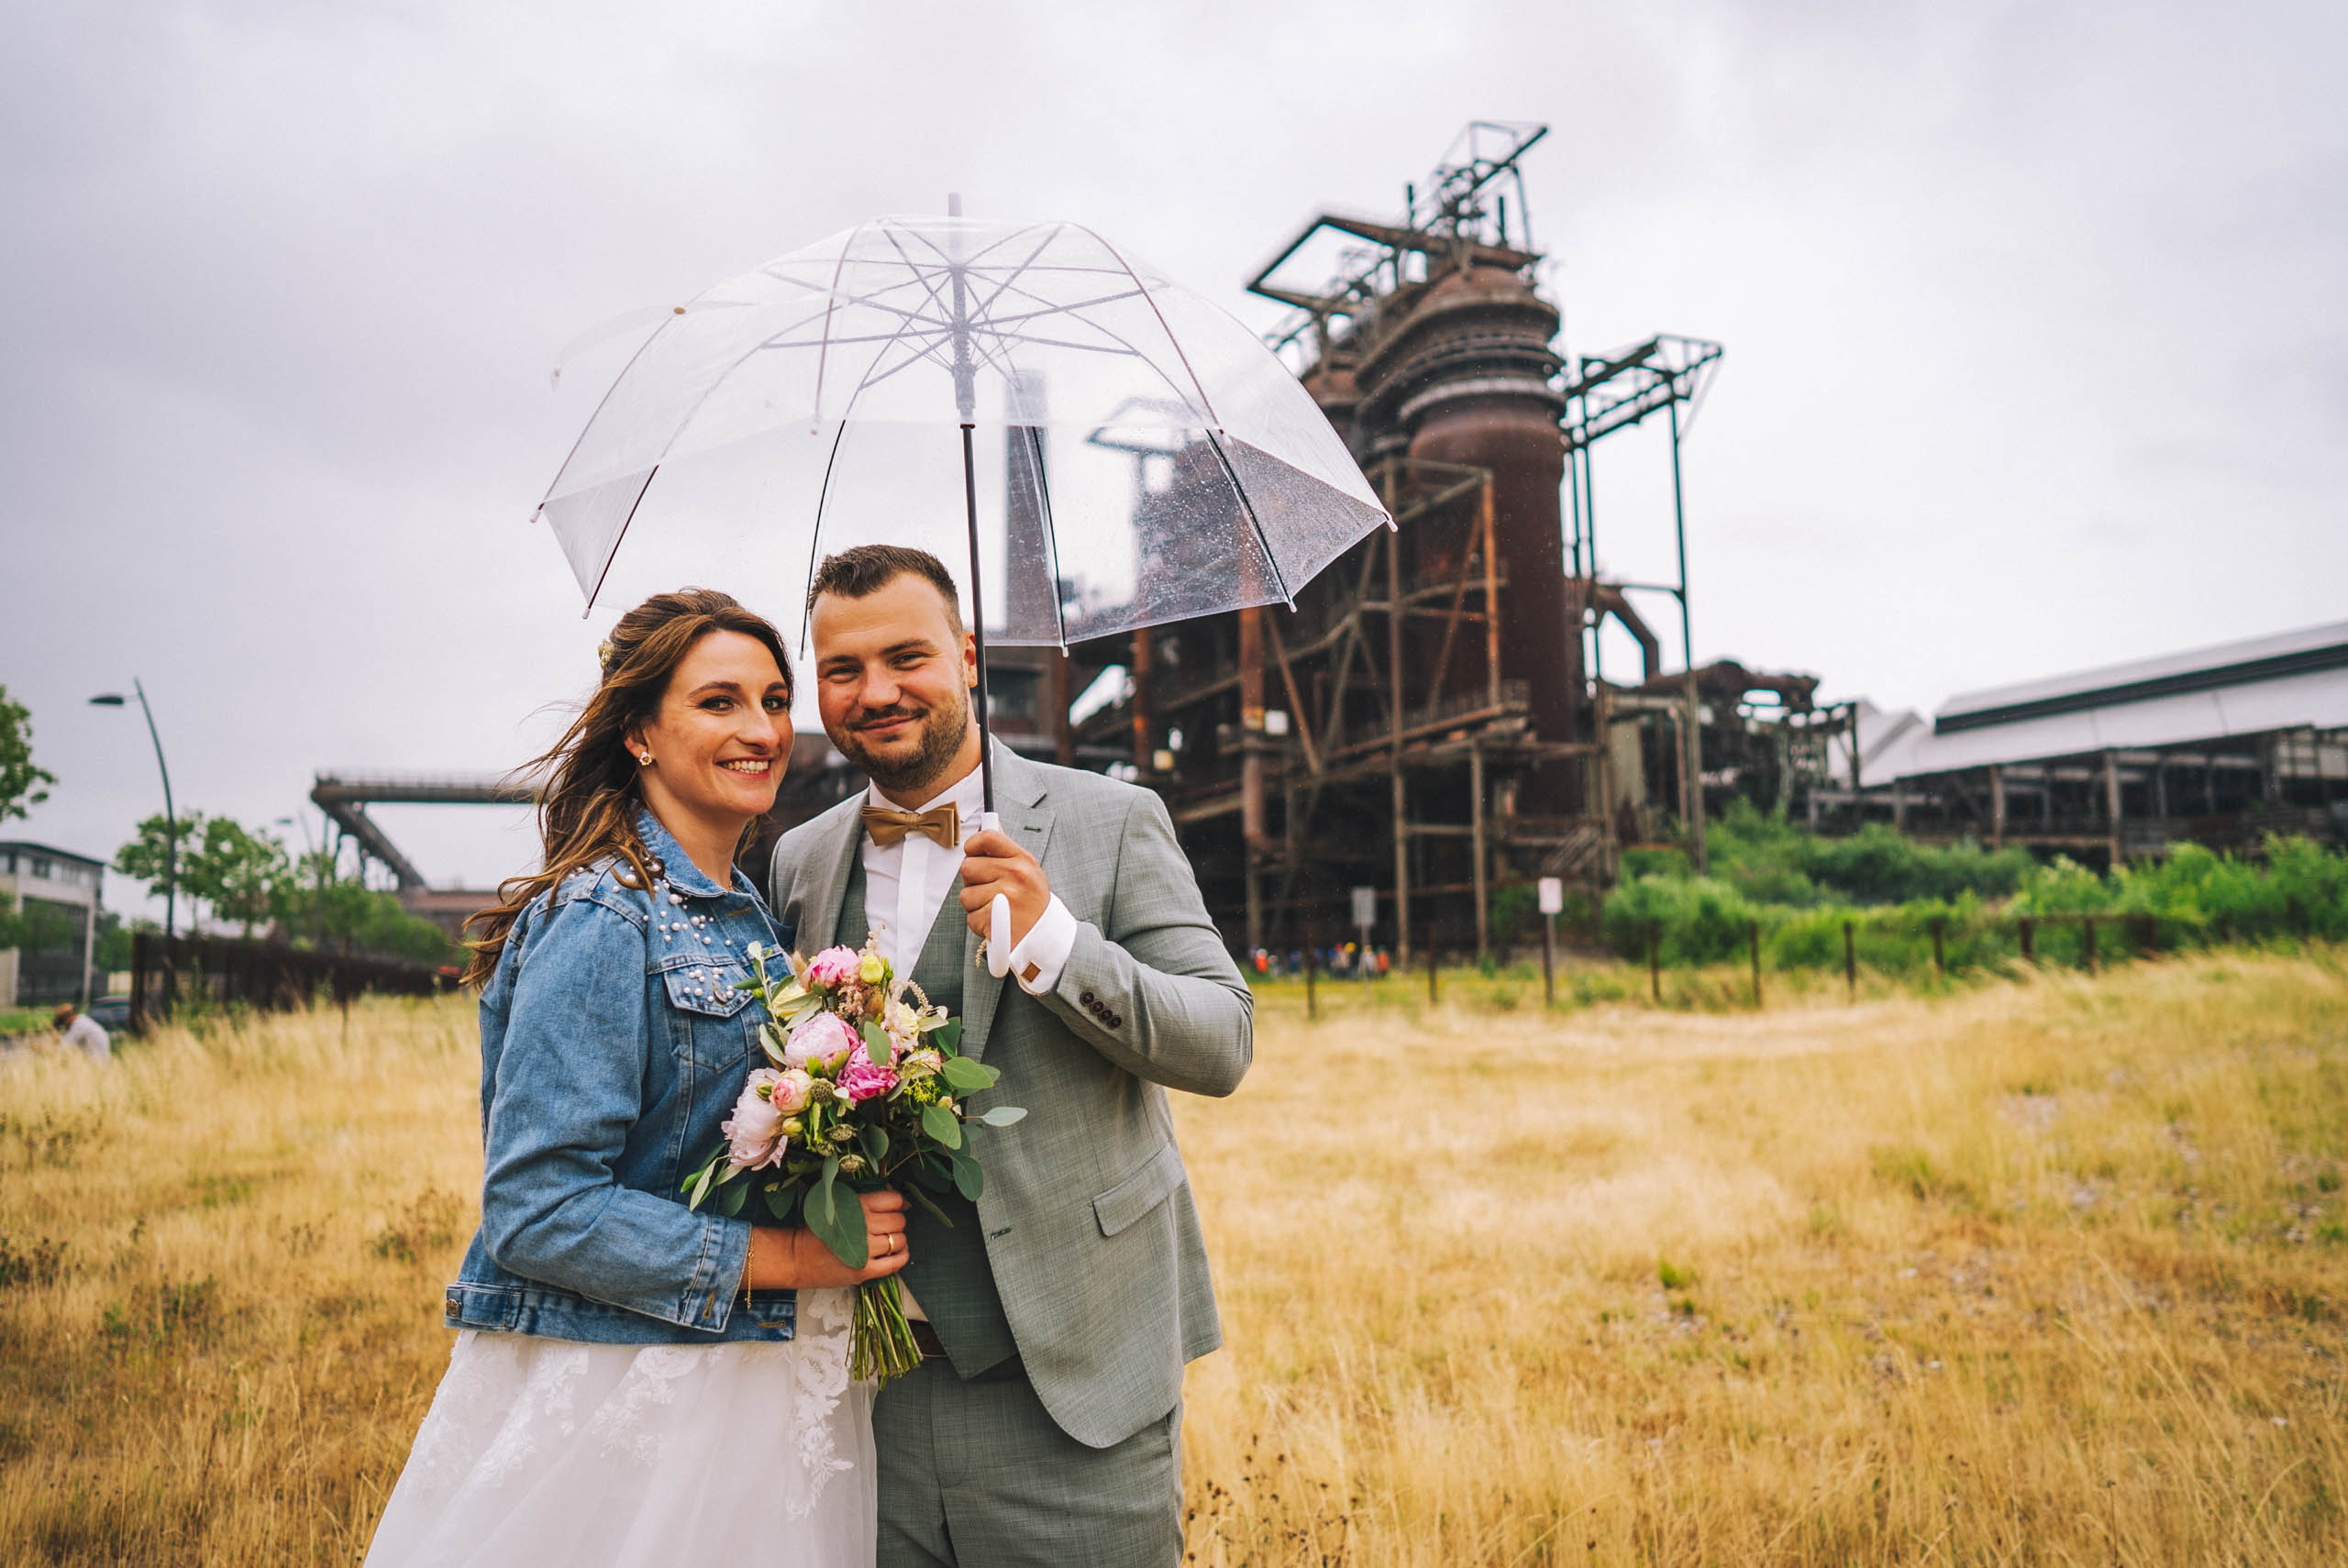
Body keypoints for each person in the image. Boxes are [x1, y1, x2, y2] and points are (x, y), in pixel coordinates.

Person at [365, 589, 912, 1567]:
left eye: (776, 700)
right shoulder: (604, 916)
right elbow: (535, 1206)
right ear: (639, 734)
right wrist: (790, 1257)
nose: (762, 730)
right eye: (719, 702)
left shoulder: (745, 912)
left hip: (749, 1381)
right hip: (629, 1393)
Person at [770, 545, 1252, 1568]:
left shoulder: (1113, 821)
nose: (877, 692)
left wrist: (1058, 944)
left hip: (1073, 1390)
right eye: (842, 670)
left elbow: (1220, 1042)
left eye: (908, 657)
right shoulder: (799, 857)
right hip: (868, 1394)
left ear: (969, 655)